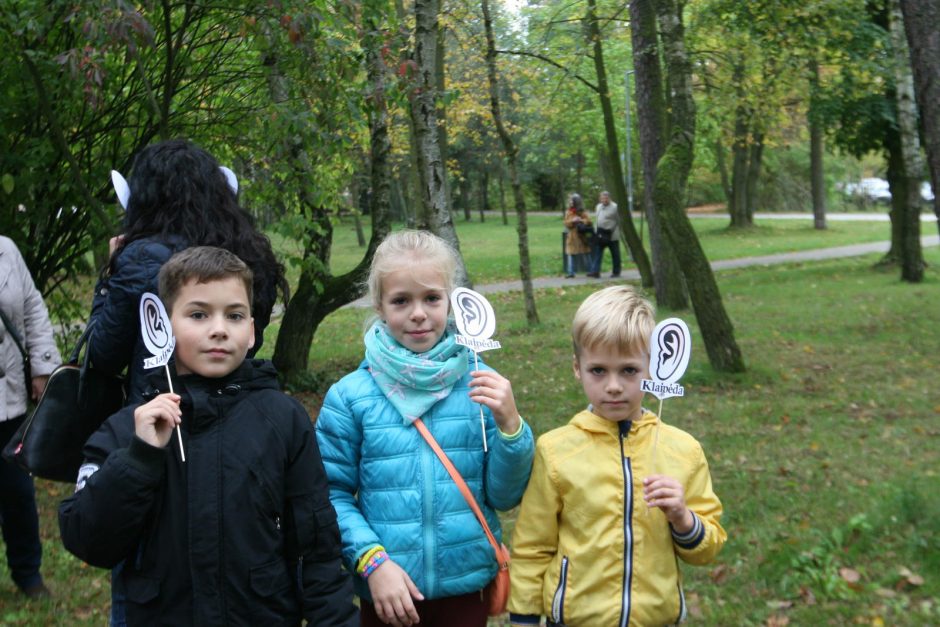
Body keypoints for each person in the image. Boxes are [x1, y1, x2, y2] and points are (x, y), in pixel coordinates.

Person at [58, 246, 357, 625]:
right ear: (161, 326)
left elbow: (316, 548)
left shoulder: (282, 420)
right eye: (198, 314)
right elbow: (88, 540)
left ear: (251, 331)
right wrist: (139, 457)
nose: (218, 328)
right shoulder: (127, 428)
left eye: (234, 315)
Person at [316, 230, 535, 627]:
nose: (418, 313)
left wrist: (511, 427)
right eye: (401, 300)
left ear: (450, 300)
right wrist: (371, 561)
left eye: (431, 298)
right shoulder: (351, 396)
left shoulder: (480, 385)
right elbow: (330, 493)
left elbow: (504, 496)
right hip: (389, 592)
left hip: (465, 588)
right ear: (381, 306)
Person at [507, 285, 726, 626]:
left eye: (628, 370)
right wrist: (523, 618)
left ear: (652, 367)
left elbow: (707, 548)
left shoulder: (683, 452)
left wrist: (684, 518)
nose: (613, 386)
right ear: (577, 368)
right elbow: (532, 547)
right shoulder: (555, 451)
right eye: (598, 370)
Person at [89, 138, 289, 405]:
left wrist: (110, 277)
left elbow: (104, 356)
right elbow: (249, 345)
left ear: (144, 199)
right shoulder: (252, 252)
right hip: (235, 412)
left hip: (160, 416)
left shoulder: (141, 257)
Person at [0, 236, 61, 599]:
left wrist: (42, 368)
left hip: (9, 397)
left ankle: (28, 574)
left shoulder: (6, 249)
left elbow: (33, 308)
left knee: (18, 492)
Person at [588, 190, 622, 278]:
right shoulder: (598, 206)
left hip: (612, 235)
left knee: (615, 254)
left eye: (606, 198)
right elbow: (597, 219)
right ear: (600, 198)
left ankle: (616, 272)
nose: (604, 200)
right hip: (600, 234)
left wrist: (613, 230)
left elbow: (619, 220)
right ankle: (595, 271)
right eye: (602, 198)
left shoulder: (615, 207)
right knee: (598, 253)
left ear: (609, 198)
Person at [562, 193, 592, 278]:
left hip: (582, 235)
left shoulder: (582, 211)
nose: (570, 202)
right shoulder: (568, 212)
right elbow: (566, 223)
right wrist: (572, 221)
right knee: (571, 254)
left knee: (586, 253)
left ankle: (590, 270)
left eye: (572, 200)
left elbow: (589, 221)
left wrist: (581, 220)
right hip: (572, 236)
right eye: (570, 201)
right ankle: (571, 272)